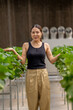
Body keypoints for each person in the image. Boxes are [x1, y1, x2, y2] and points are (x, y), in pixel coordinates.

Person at [4, 24, 60, 110]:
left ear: (41, 33)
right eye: (33, 32)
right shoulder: (26, 45)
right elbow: (23, 61)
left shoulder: (46, 45)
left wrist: (60, 54)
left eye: (37, 32)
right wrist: (13, 51)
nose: (35, 34)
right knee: (32, 101)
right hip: (31, 74)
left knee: (45, 100)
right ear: (30, 34)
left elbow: (52, 60)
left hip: (43, 74)